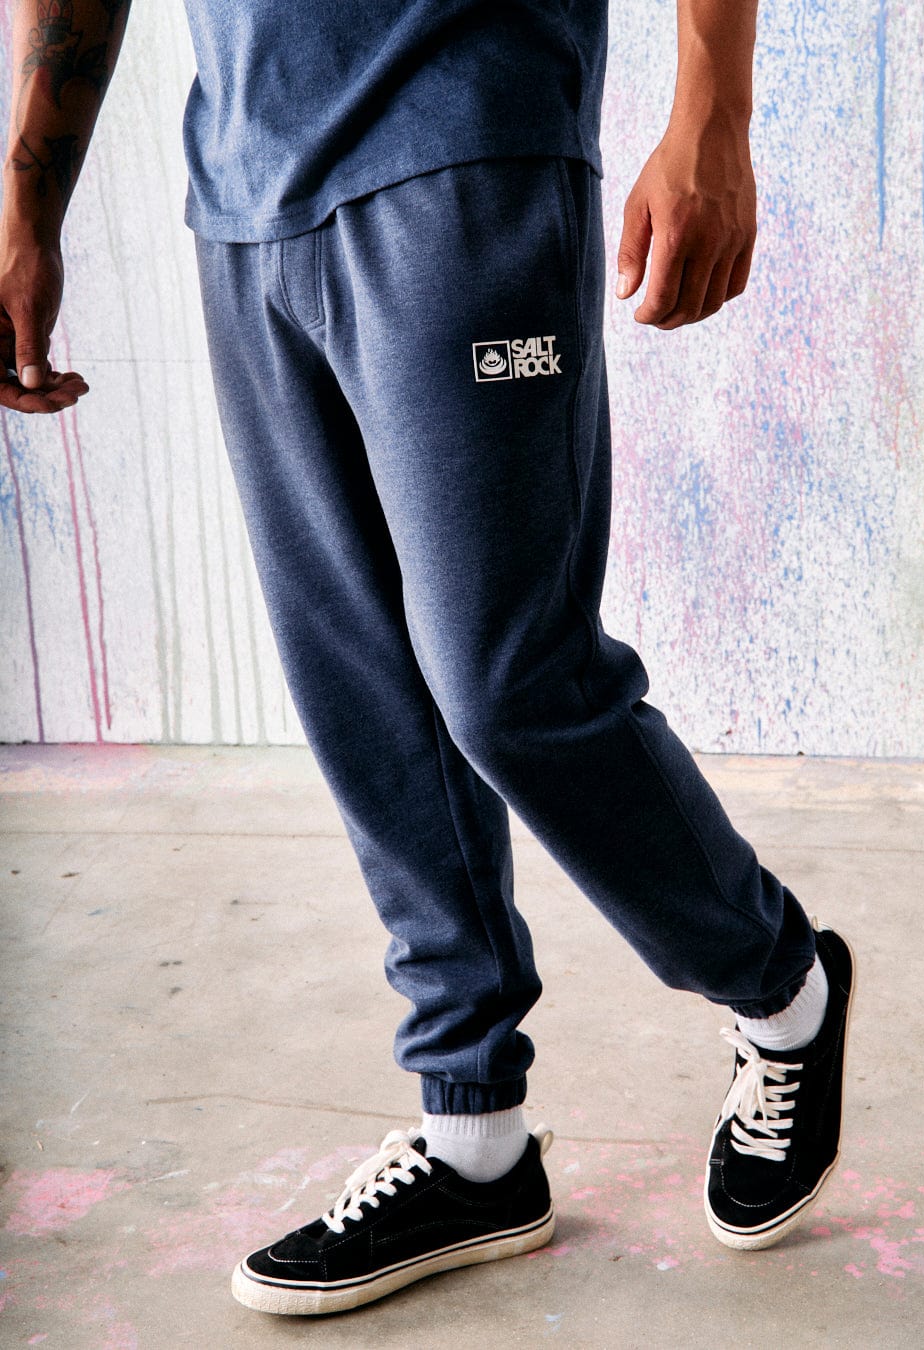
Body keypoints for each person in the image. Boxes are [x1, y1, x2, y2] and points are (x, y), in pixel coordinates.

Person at [1, 0, 856, 1318]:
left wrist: (714, 118)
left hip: (467, 139)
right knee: (365, 692)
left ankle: (781, 983)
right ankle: (474, 1139)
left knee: (513, 687)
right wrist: (26, 197)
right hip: (244, 189)